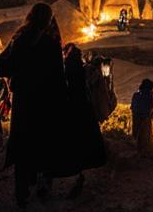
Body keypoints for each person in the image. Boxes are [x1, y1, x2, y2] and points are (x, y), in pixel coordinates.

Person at [0, 2, 68, 206]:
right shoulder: (52, 43)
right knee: (45, 141)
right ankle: (44, 185)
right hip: (46, 101)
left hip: (24, 101)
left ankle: (22, 189)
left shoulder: (19, 40)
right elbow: (59, 78)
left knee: (23, 142)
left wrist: (19, 70)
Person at [54, 43, 108, 197]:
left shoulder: (65, 72)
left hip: (71, 110)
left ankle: (72, 175)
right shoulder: (85, 71)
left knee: (71, 145)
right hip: (84, 111)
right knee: (84, 144)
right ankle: (79, 174)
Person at [130, 78, 153, 155]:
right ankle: (145, 151)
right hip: (145, 117)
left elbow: (132, 107)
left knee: (138, 134)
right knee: (145, 135)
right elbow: (152, 106)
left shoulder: (136, 95)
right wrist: (150, 116)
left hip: (137, 117)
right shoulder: (151, 95)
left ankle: (139, 150)